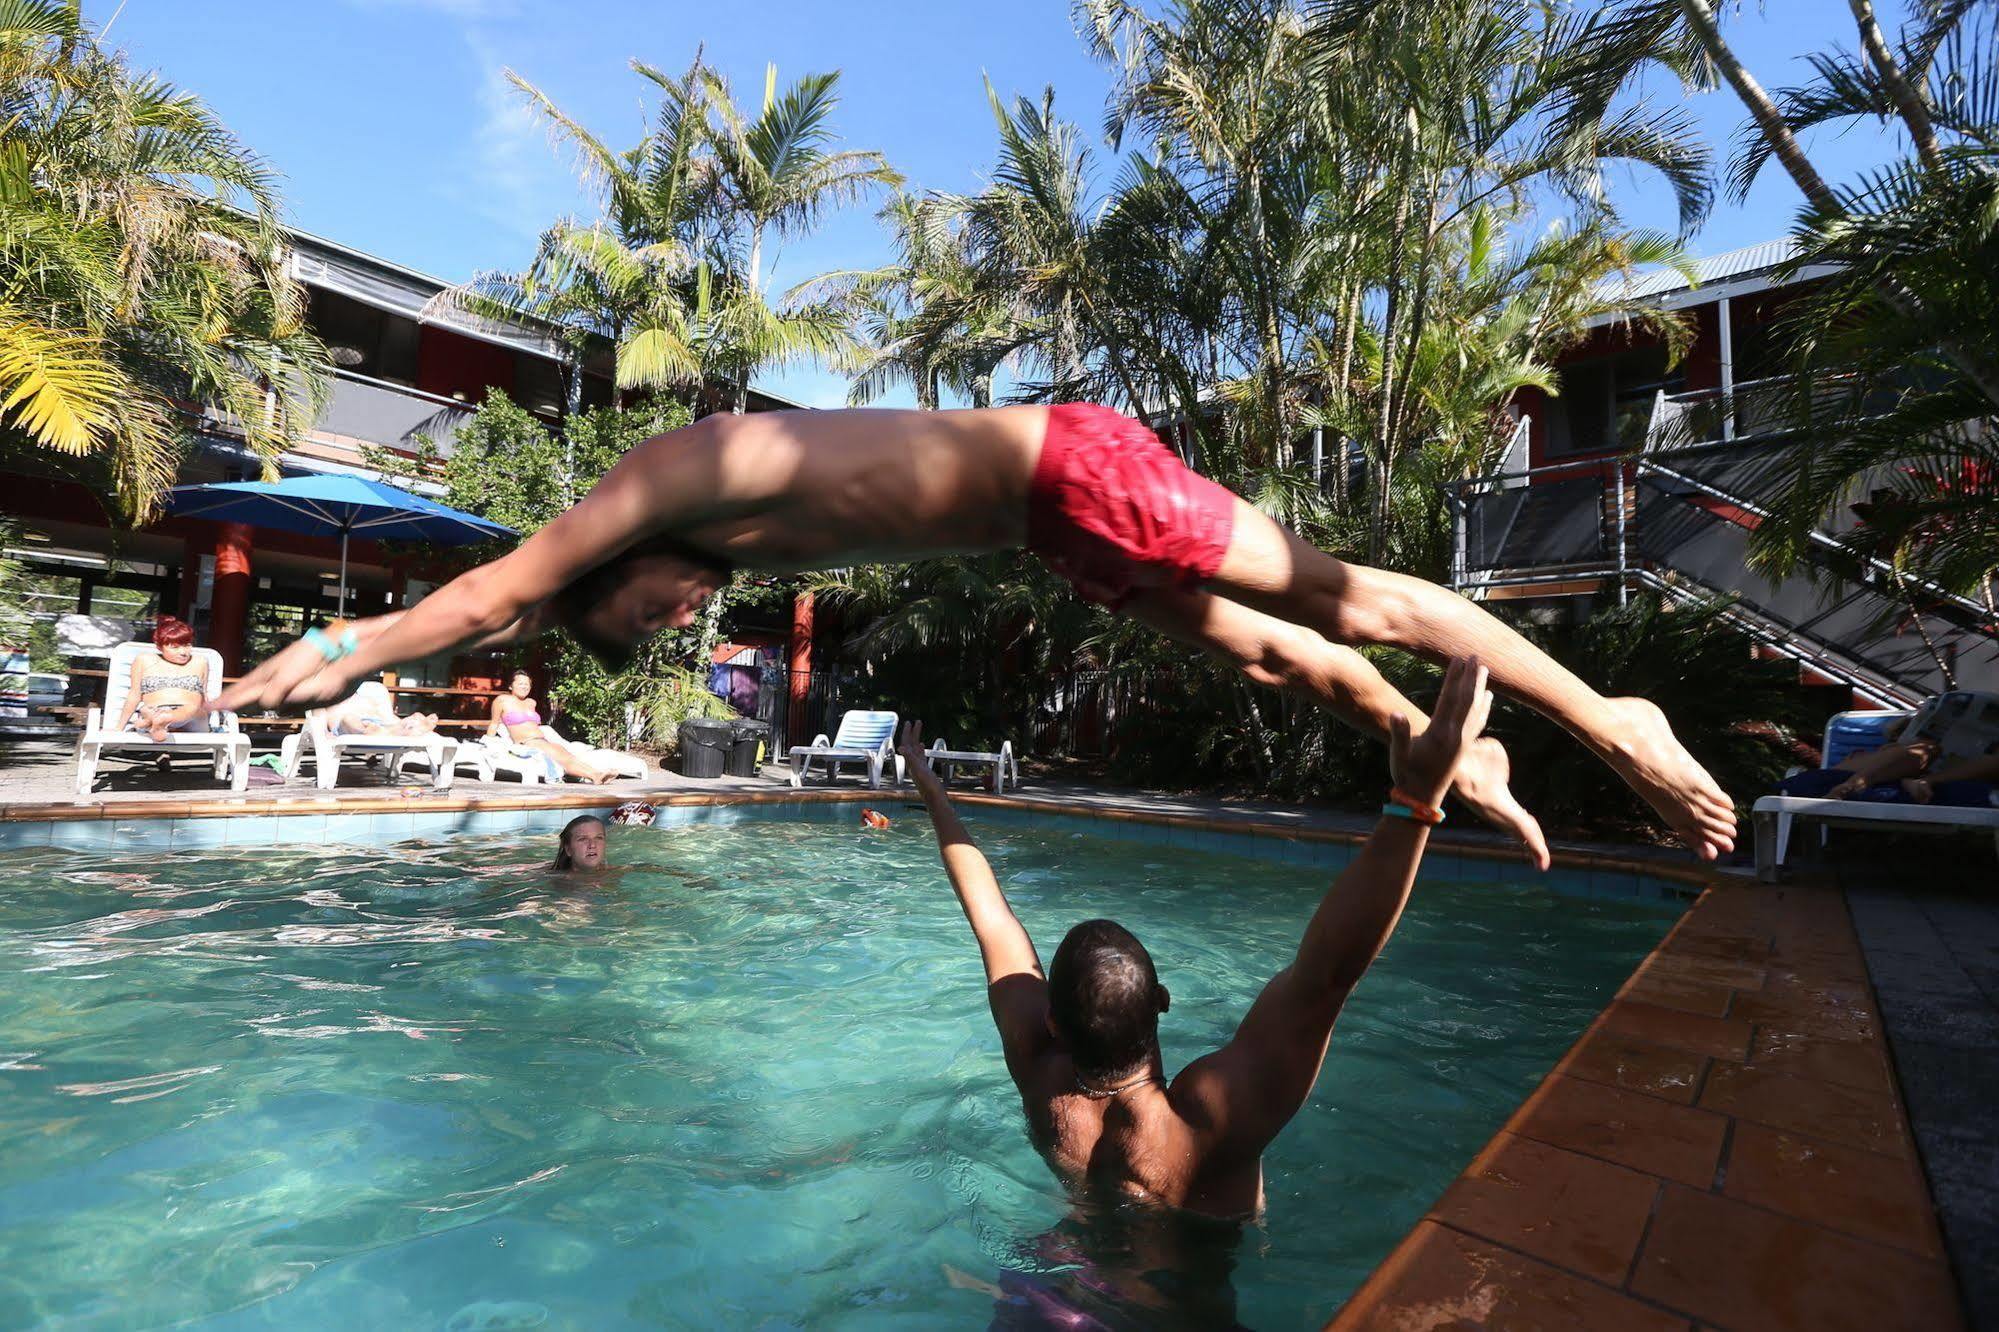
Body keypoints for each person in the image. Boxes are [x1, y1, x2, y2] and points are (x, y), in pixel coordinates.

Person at [213, 403, 1734, 861]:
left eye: (652, 606)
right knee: (1282, 658)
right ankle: (1433, 750)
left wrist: (344, 653)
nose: (683, 611)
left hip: (1070, 469)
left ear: (604, 572)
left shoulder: (658, 480)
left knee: (1352, 599)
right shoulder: (706, 527)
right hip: (1053, 532)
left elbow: (489, 594)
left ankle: (1613, 720)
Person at [896, 654, 1493, 1218]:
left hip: (1055, 1288)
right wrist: (1417, 802)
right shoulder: (1205, 1127)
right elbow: (1325, 979)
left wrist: (930, 787)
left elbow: (990, 917)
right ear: (1162, 1002)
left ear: (1053, 1022)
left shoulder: (1039, 1071)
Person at [1780, 691, 1999, 806]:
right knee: (1925, 748)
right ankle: (1851, 785)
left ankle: (1922, 782)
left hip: (1927, 774)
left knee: (1924, 751)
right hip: (1883, 768)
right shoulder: (1904, 747)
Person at [487, 670, 614, 784]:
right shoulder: (502, 700)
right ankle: (594, 776)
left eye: (527, 684)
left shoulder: (531, 703)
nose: (525, 686)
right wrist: (488, 744)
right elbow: (494, 723)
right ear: (510, 685)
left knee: (568, 756)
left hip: (543, 740)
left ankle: (596, 773)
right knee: (562, 758)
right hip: (526, 743)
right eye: (520, 683)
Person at [115, 616, 209, 742]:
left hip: (192, 718)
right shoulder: (144, 660)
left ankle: (153, 721)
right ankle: (156, 722)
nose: (183, 652)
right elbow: (134, 694)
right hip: (156, 709)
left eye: (187, 645)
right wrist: (119, 728)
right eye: (175, 647)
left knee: (192, 707)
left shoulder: (200, 662)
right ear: (160, 647)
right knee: (147, 709)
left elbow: (204, 695)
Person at [326, 680, 440, 737]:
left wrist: (389, 719)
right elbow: (326, 716)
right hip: (344, 727)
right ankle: (407, 729)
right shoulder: (332, 694)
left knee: (394, 721)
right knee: (349, 719)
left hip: (375, 724)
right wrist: (326, 732)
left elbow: (384, 715)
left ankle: (411, 725)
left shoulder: (367, 690)